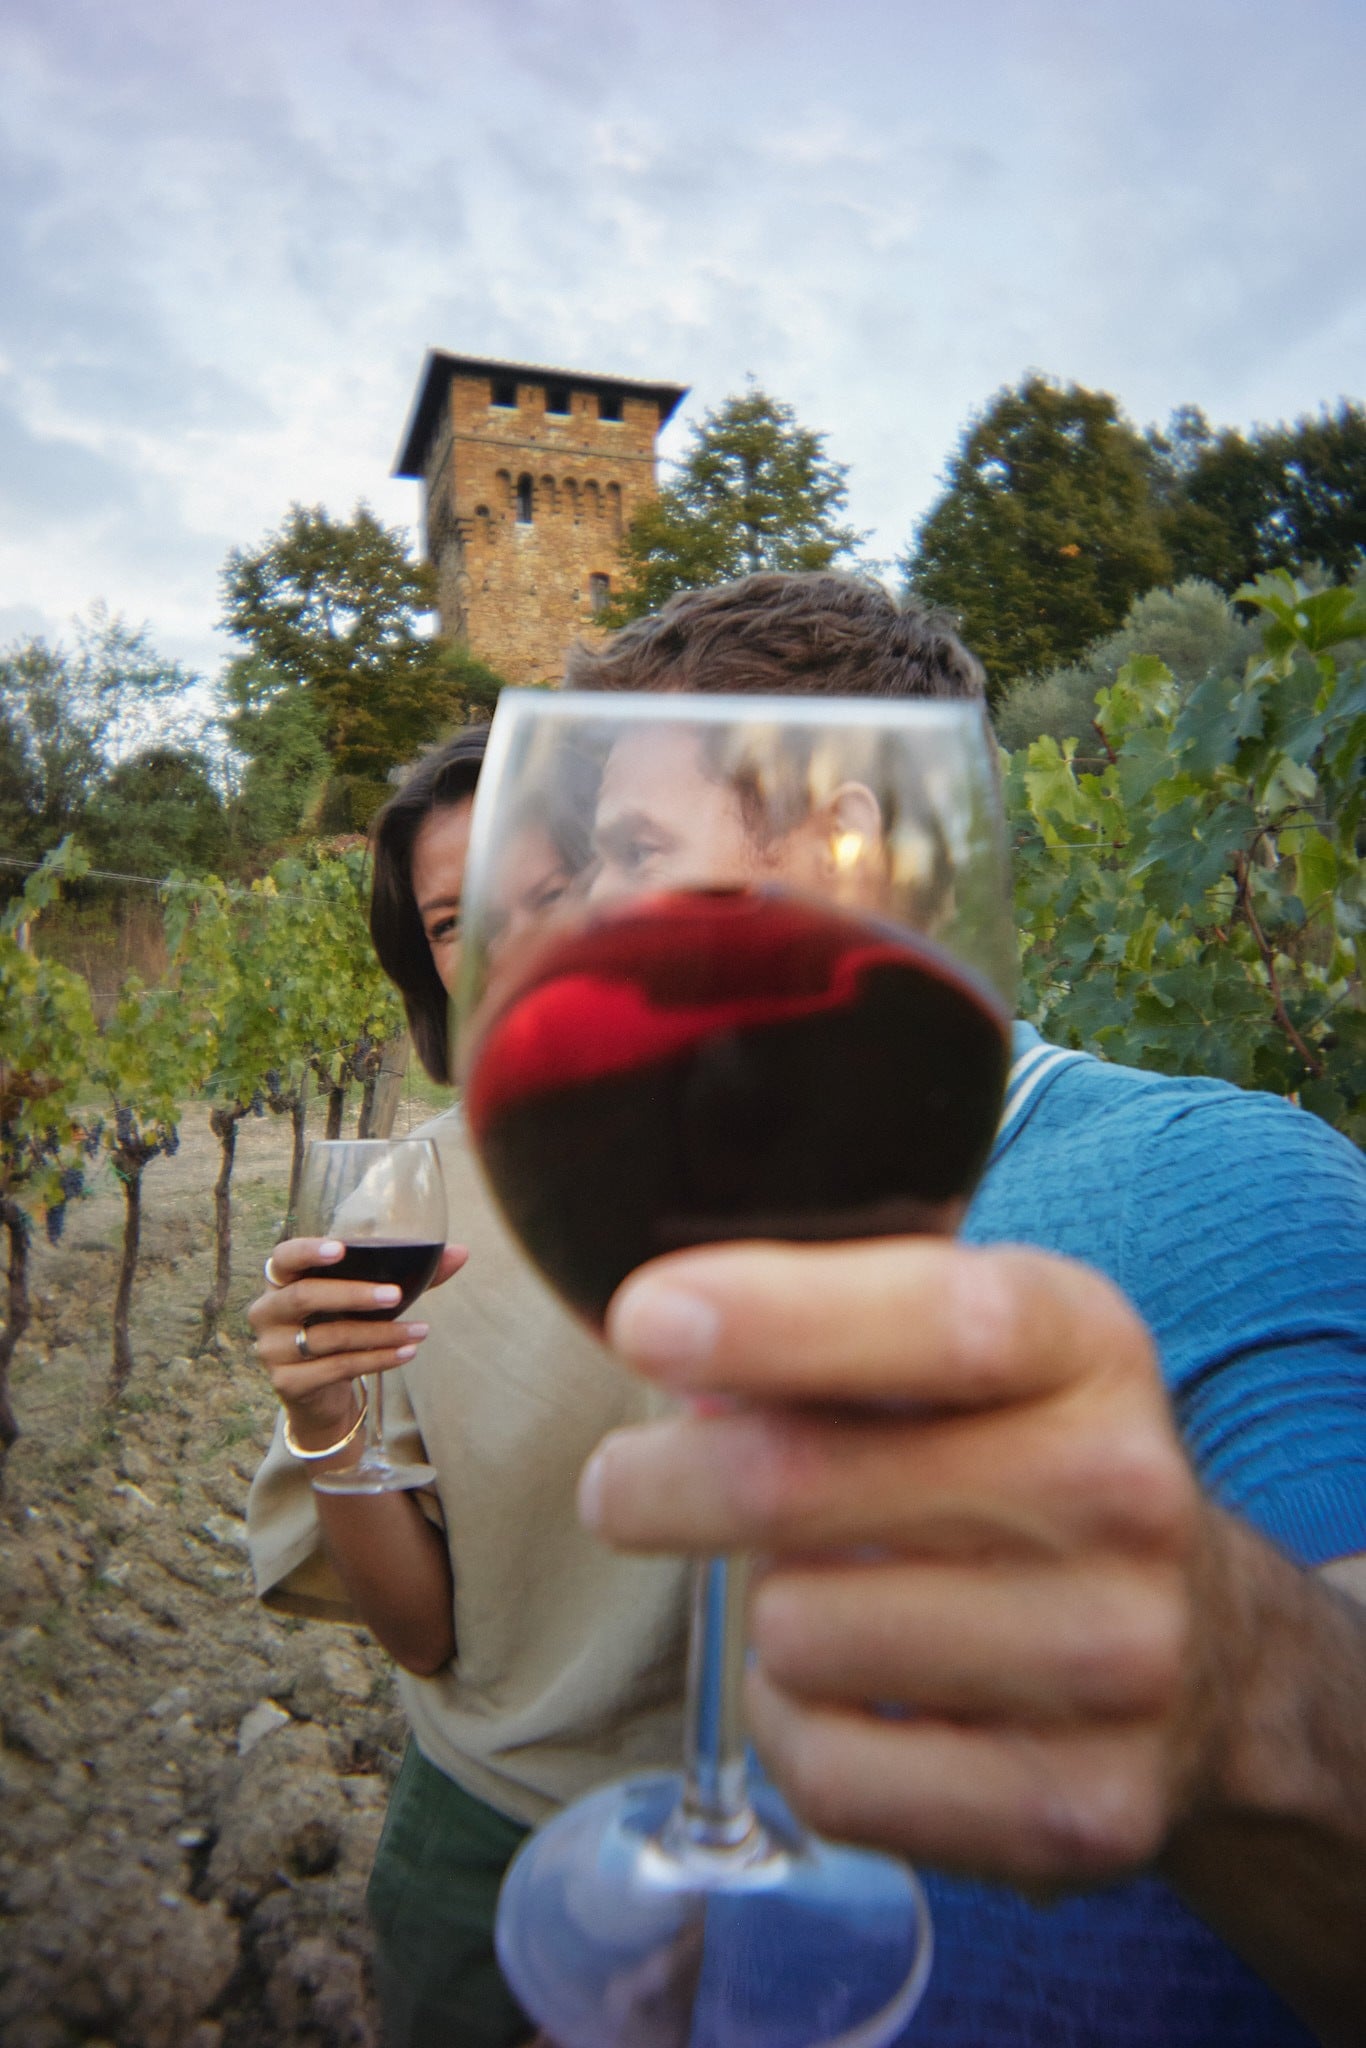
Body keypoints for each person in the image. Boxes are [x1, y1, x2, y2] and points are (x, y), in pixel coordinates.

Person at [249, 574, 1366, 2046]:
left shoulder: (1221, 1181)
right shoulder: (694, 1174)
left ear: (850, 835)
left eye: (633, 852)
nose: (571, 917)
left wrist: (1250, 1691)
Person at [246, 725, 688, 2048]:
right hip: (495, 1832)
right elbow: (421, 1638)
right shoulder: (407, 1206)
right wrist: (324, 1420)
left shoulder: (791, 1163)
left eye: (557, 884)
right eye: (454, 920)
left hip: (790, 1841)